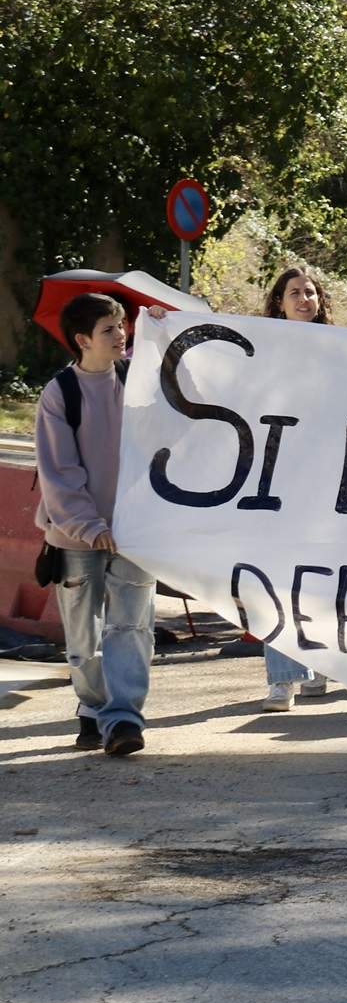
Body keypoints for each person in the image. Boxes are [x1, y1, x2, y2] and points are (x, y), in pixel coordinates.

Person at [35, 294, 156, 757]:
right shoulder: (59, 393)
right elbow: (59, 471)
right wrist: (88, 525)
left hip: (135, 531)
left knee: (131, 628)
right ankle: (93, 708)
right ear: (83, 340)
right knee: (84, 635)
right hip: (75, 535)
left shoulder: (139, 380)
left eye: (123, 325)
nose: (121, 334)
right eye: (109, 329)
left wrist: (168, 329)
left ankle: (124, 718)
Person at [261, 268, 337, 710]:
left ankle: (321, 663)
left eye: (310, 292)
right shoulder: (263, 347)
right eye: (294, 293)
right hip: (275, 474)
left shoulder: (341, 350)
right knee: (276, 575)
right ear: (279, 303)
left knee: (321, 577)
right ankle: (282, 679)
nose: (304, 298)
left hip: (328, 479)